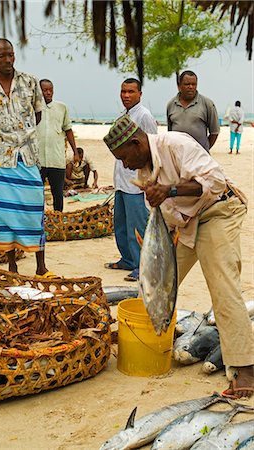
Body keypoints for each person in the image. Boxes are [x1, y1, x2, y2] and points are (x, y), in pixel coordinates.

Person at [103, 114, 254, 399]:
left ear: (136, 143)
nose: (125, 165)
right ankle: (149, 338)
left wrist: (169, 189)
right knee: (150, 284)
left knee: (223, 288)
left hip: (217, 213)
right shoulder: (144, 171)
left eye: (124, 157)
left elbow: (215, 182)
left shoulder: (175, 144)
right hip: (182, 225)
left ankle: (246, 367)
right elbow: (162, 210)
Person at [0, 38, 53, 277]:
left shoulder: (30, 82)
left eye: (11, 55)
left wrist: (21, 134)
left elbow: (38, 115)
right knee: (3, 212)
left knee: (34, 208)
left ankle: (41, 266)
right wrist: (5, 138)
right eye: (2, 56)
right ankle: (12, 264)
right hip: (0, 161)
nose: (8, 60)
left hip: (28, 156)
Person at [105, 78, 157, 282]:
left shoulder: (144, 116)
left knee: (138, 226)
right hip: (121, 181)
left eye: (131, 92)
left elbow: (152, 146)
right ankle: (127, 259)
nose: (126, 95)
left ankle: (141, 265)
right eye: (123, 91)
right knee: (121, 224)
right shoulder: (124, 116)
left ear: (140, 94)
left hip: (136, 182)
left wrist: (150, 181)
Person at [37, 79, 79, 211]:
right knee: (36, 194)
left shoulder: (62, 107)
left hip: (56, 160)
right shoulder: (33, 109)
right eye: (45, 90)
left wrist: (75, 152)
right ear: (39, 91)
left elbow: (68, 130)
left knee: (58, 194)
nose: (48, 93)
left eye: (51, 90)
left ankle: (58, 220)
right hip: (38, 161)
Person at [167, 70, 220, 152]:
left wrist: (203, 150)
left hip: (200, 158)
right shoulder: (171, 105)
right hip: (177, 156)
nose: (191, 87)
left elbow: (214, 132)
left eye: (194, 84)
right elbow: (170, 133)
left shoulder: (207, 104)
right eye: (187, 84)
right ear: (179, 86)